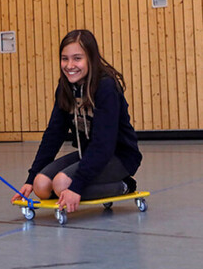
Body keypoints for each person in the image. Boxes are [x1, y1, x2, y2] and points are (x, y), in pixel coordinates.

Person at [11, 29, 142, 213]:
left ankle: (123, 185)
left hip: (118, 156)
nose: (70, 65)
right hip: (88, 153)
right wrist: (31, 178)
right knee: (41, 185)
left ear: (91, 59)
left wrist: (77, 185)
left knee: (62, 183)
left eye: (77, 58)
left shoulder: (106, 87)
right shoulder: (65, 87)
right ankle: (68, 187)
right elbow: (54, 134)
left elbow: (103, 145)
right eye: (65, 59)